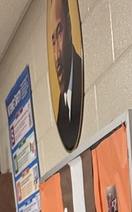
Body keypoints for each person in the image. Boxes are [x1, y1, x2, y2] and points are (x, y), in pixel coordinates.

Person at [49, 0, 83, 150]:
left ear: (69, 27)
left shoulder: (78, 76)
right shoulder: (60, 110)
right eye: (53, 41)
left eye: (60, 31)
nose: (57, 55)